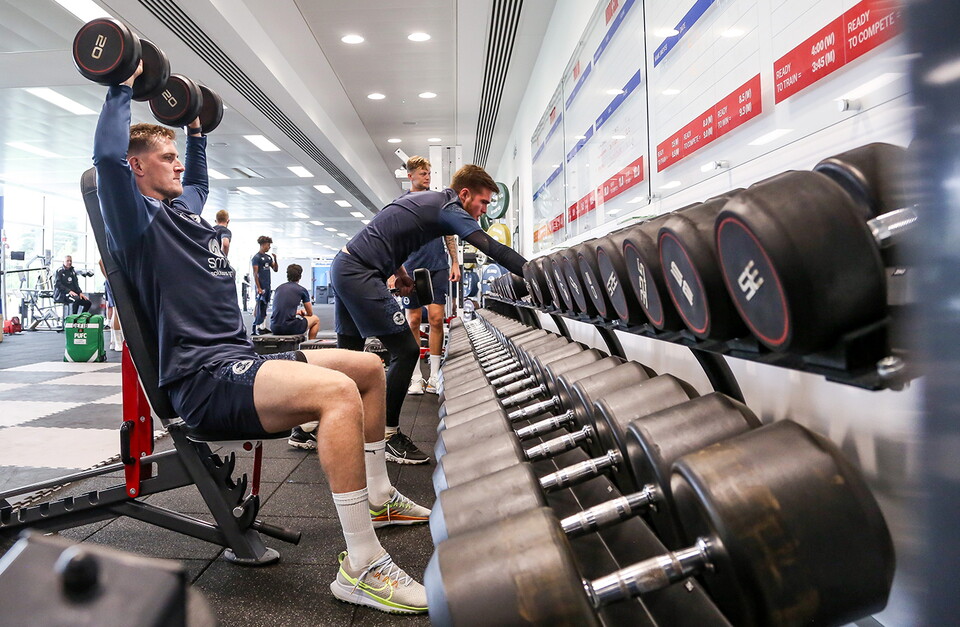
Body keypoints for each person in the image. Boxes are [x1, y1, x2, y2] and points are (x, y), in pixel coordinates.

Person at [93, 62, 430, 614]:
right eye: (166, 156)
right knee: (337, 394)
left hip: (240, 360)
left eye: (177, 155)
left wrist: (196, 130)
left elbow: (198, 183)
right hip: (204, 378)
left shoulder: (182, 212)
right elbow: (106, 161)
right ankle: (363, 565)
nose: (177, 164)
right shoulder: (137, 222)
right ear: (137, 166)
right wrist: (121, 86)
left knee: (369, 369)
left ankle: (378, 497)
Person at [331, 164, 527, 465]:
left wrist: (401, 274)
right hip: (360, 273)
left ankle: (312, 427)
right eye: (483, 202)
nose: (485, 210)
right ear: (465, 194)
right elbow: (493, 248)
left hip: (345, 265)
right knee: (406, 351)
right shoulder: (449, 208)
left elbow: (387, 233)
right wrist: (537, 274)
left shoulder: (424, 200)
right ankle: (387, 434)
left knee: (350, 356)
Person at [399, 157, 461, 401]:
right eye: (423, 173)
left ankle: (435, 374)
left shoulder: (437, 202)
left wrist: (455, 262)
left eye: (429, 173)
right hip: (411, 269)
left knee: (436, 319)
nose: (427, 177)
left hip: (437, 267)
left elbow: (449, 234)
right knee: (413, 321)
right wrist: (395, 271)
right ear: (410, 176)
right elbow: (395, 239)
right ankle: (415, 376)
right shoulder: (402, 204)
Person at [271, 264, 320, 339]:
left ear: (287, 275)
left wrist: (295, 312)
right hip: (289, 328)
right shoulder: (302, 290)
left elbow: (281, 308)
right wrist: (304, 314)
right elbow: (310, 313)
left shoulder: (278, 288)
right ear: (300, 276)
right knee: (316, 319)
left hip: (274, 327)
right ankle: (310, 343)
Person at [251, 236, 278, 335]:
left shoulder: (268, 257)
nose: (269, 247)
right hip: (260, 286)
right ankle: (256, 327)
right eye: (268, 245)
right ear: (262, 245)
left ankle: (263, 327)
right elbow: (255, 274)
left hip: (267, 285)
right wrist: (258, 287)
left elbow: (275, 269)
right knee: (259, 306)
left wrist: (275, 259)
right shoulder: (256, 258)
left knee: (265, 306)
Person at [99, 259, 123, 351]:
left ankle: (114, 342)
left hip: (115, 280)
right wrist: (109, 278)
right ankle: (118, 343)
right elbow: (101, 261)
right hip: (115, 281)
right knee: (117, 310)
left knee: (116, 310)